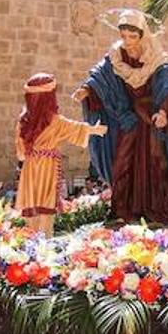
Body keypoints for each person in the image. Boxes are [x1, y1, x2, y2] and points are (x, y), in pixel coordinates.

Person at [77, 9, 168, 225]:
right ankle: (122, 211)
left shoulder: (157, 59)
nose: (127, 42)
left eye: (133, 37)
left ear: (143, 35)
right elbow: (100, 78)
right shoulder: (116, 57)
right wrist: (88, 90)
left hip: (150, 120)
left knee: (155, 163)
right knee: (122, 163)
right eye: (124, 36)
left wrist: (165, 110)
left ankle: (156, 212)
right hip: (127, 121)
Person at [15, 73, 107, 235]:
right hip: (47, 166)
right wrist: (95, 129)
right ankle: (44, 244)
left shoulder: (23, 122)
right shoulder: (55, 121)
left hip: (29, 168)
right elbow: (75, 128)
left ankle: (31, 246)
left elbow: (21, 155)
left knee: (32, 207)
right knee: (46, 208)